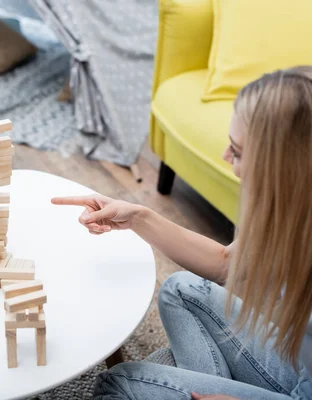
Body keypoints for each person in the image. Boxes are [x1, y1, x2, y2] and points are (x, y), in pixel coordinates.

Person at [51, 67, 312, 399]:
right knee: (180, 288)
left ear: (285, 166)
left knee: (116, 383)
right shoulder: (290, 207)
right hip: (299, 368)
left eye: (239, 151)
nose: (225, 156)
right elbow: (228, 265)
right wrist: (137, 217)